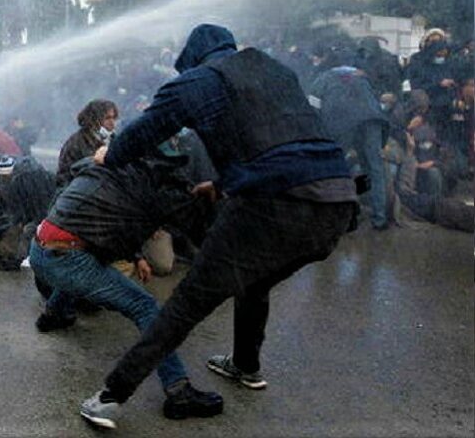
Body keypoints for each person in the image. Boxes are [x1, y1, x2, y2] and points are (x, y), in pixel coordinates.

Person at [80, 24, 358, 428]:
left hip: (270, 205)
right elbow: (288, 142)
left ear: (191, 59)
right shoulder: (275, 70)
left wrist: (111, 154)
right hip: (337, 202)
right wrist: (224, 182)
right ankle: (245, 366)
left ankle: (110, 397)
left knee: (186, 302)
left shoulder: (197, 81)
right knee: (255, 281)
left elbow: (146, 132)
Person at [30, 155, 221, 422]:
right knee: (145, 306)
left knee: (91, 261)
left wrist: (138, 256)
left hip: (40, 249)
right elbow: (190, 225)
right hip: (67, 259)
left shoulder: (106, 167)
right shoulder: (148, 189)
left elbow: (107, 223)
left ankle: (53, 314)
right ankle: (179, 391)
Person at [309, 66, 390, 229]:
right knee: (375, 170)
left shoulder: (322, 78)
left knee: (337, 170)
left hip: (342, 123)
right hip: (371, 121)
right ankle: (380, 219)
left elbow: (313, 111)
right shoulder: (360, 74)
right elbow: (375, 103)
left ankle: (339, 215)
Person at [57, 99, 119, 187]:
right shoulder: (76, 143)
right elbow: (64, 176)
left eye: (114, 118)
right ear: (95, 119)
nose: (112, 123)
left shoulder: (114, 140)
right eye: (107, 118)